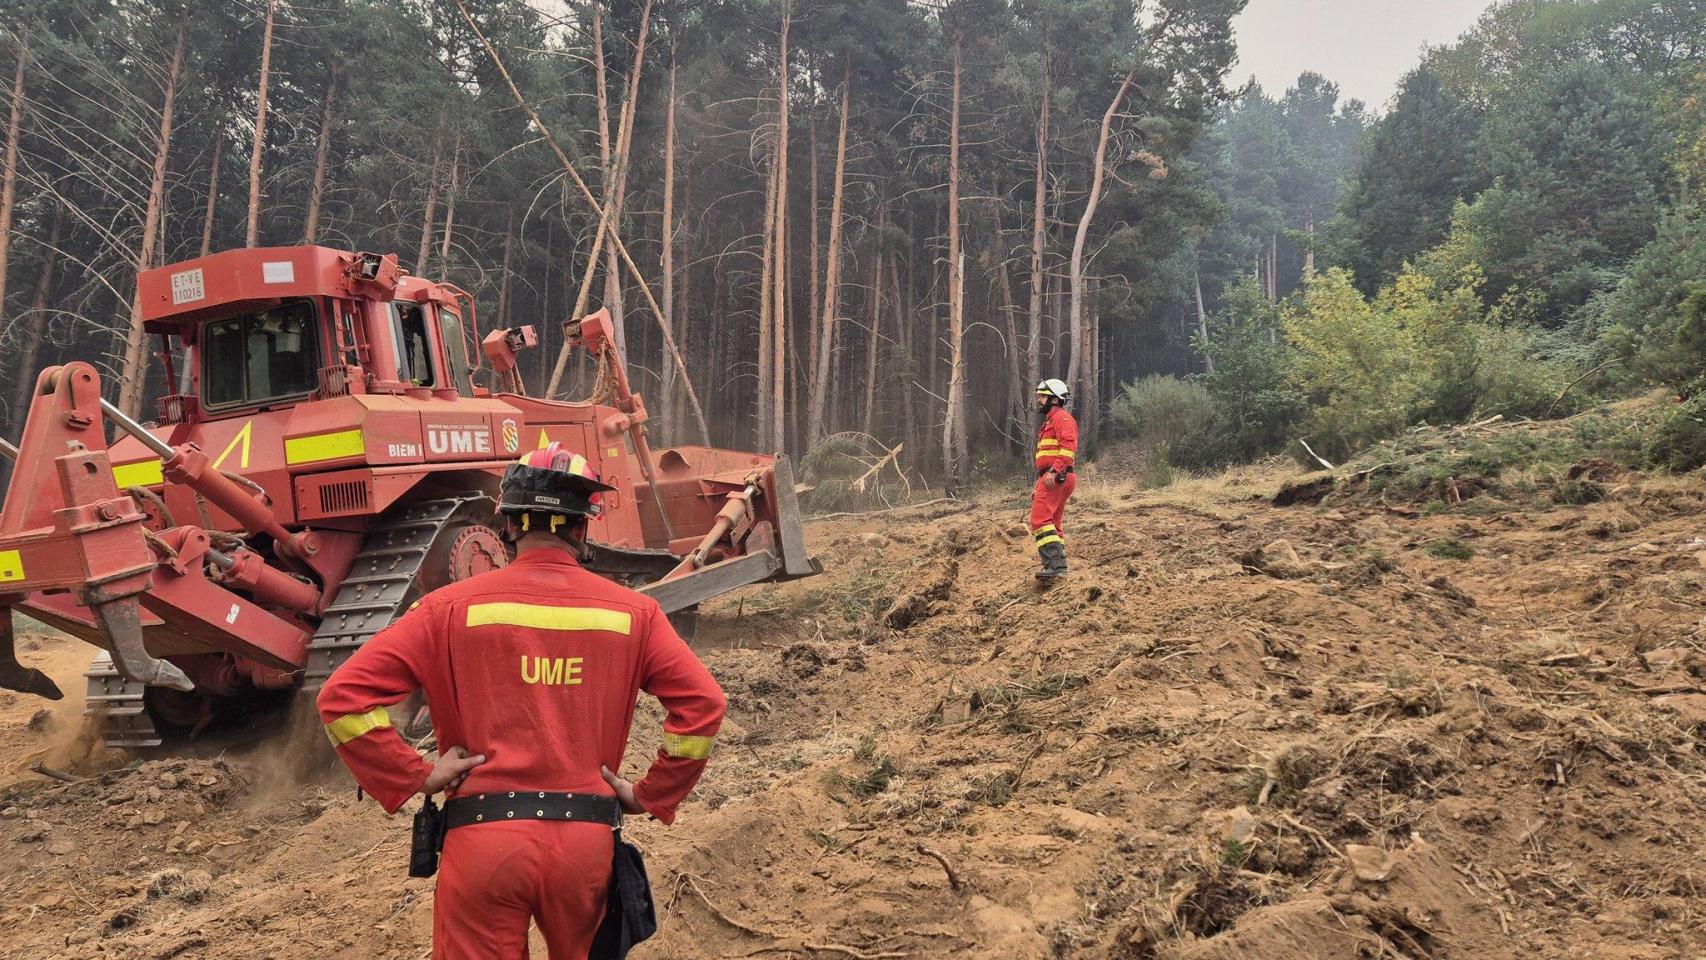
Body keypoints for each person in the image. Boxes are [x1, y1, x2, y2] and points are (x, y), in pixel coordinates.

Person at [316, 443, 727, 960]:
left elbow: (342, 698)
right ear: (582, 528)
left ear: (507, 525)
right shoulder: (634, 613)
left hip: (481, 845)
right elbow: (703, 706)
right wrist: (650, 793)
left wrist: (415, 773)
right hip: (586, 845)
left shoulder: (444, 609)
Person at [1031, 378, 1078, 579]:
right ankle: (1059, 568)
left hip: (1057, 477)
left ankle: (1056, 567)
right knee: (1053, 523)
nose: (1039, 400)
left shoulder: (1062, 418)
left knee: (1039, 520)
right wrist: (1040, 482)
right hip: (1055, 477)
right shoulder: (1051, 420)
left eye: (1042, 396)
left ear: (1054, 399)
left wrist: (1054, 471)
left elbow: (1069, 446)